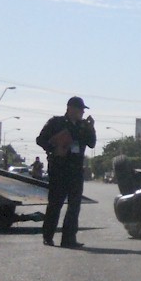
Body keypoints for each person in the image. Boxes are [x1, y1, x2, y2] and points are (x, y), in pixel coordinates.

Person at [36, 96, 97, 248]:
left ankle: (69, 238)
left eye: (83, 110)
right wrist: (54, 148)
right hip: (59, 169)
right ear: (70, 108)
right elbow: (40, 139)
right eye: (80, 109)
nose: (82, 112)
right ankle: (48, 236)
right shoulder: (56, 122)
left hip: (76, 170)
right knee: (55, 204)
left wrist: (91, 128)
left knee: (74, 206)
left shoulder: (83, 126)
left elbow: (91, 143)